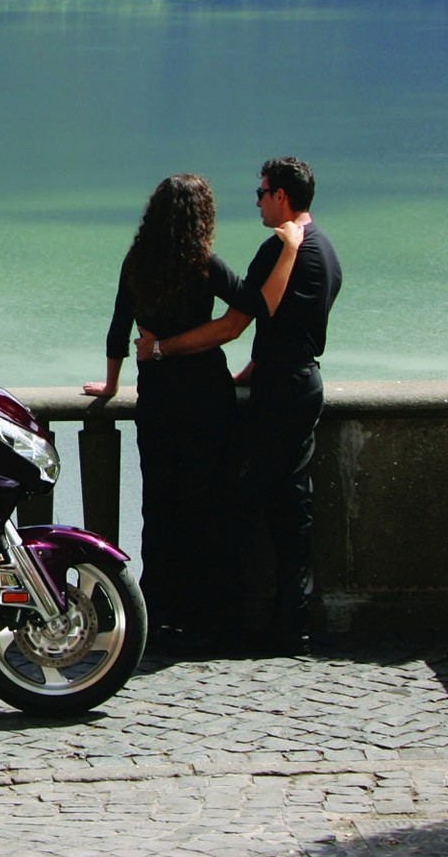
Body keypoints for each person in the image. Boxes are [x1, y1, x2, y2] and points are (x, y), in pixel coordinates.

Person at [84, 174, 302, 649]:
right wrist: (289, 249)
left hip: (157, 399)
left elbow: (118, 328)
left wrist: (112, 384)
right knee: (208, 504)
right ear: (201, 218)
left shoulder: (137, 261)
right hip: (206, 396)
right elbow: (257, 308)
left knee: (159, 506)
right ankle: (209, 615)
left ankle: (156, 612)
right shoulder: (204, 263)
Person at [141, 157, 343, 655]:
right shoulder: (329, 251)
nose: (255, 200)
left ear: (282, 197)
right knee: (291, 507)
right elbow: (291, 330)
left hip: (278, 394)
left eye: (261, 191)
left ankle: (220, 623)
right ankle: (292, 625)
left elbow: (242, 320)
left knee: (233, 502)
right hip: (301, 381)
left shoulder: (283, 249)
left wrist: (165, 348)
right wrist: (251, 371)